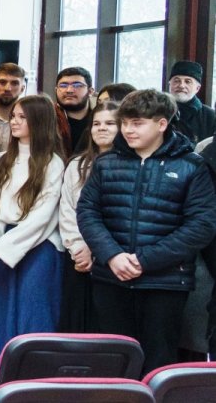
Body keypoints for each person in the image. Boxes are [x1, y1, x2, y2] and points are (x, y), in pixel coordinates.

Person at [77, 89, 216, 373]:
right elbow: (88, 212)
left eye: (137, 123)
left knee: (158, 364)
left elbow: (201, 225)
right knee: (113, 361)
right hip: (111, 277)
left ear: (162, 123)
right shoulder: (106, 163)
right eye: (125, 123)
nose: (128, 130)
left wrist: (145, 260)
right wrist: (112, 255)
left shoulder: (192, 166)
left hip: (165, 282)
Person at [0, 94, 66, 378]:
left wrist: (2, 248)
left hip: (40, 245)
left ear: (39, 121)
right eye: (13, 116)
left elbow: (43, 216)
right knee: (1, 313)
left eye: (22, 117)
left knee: (34, 314)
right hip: (2, 241)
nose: (14, 121)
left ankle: (35, 382)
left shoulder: (52, 163)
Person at [57, 101, 118, 333]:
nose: (102, 128)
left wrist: (97, 249)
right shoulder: (77, 164)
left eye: (110, 123)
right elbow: (67, 210)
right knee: (75, 322)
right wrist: (78, 247)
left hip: (112, 256)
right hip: (78, 256)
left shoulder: (129, 164)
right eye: (96, 123)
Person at [169, 61, 216, 144]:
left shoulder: (210, 116)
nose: (181, 85)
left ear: (197, 88)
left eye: (188, 81)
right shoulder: (158, 111)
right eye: (176, 81)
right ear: (169, 84)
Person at [54, 67, 96, 153]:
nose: (69, 90)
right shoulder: (48, 118)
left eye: (77, 85)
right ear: (56, 90)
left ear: (90, 91)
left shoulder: (99, 120)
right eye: (63, 86)